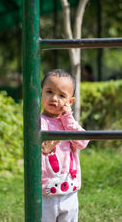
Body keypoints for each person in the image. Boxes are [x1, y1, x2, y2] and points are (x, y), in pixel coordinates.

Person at [41, 69, 89, 222]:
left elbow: (82, 142)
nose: (54, 98)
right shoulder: (38, 120)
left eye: (62, 95)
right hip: (43, 192)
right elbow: (39, 145)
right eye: (49, 91)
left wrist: (68, 118)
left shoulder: (69, 123)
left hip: (69, 190)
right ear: (41, 93)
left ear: (70, 101)